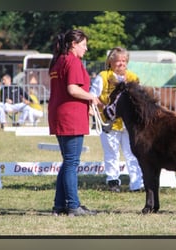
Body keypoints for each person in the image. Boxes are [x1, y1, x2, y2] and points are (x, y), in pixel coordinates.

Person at [48, 29, 100, 217]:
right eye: (84, 44)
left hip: (59, 114)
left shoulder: (58, 60)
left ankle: (60, 205)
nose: (86, 49)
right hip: (71, 116)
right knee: (71, 162)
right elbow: (72, 89)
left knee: (67, 161)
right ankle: (73, 206)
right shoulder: (73, 61)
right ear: (73, 44)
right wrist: (92, 97)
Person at [90, 46, 144, 192]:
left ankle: (137, 183)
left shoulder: (133, 77)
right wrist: (104, 107)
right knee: (111, 153)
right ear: (110, 62)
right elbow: (93, 96)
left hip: (129, 124)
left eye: (124, 61)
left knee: (132, 153)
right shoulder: (103, 76)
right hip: (109, 122)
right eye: (118, 61)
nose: (122, 64)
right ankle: (113, 181)